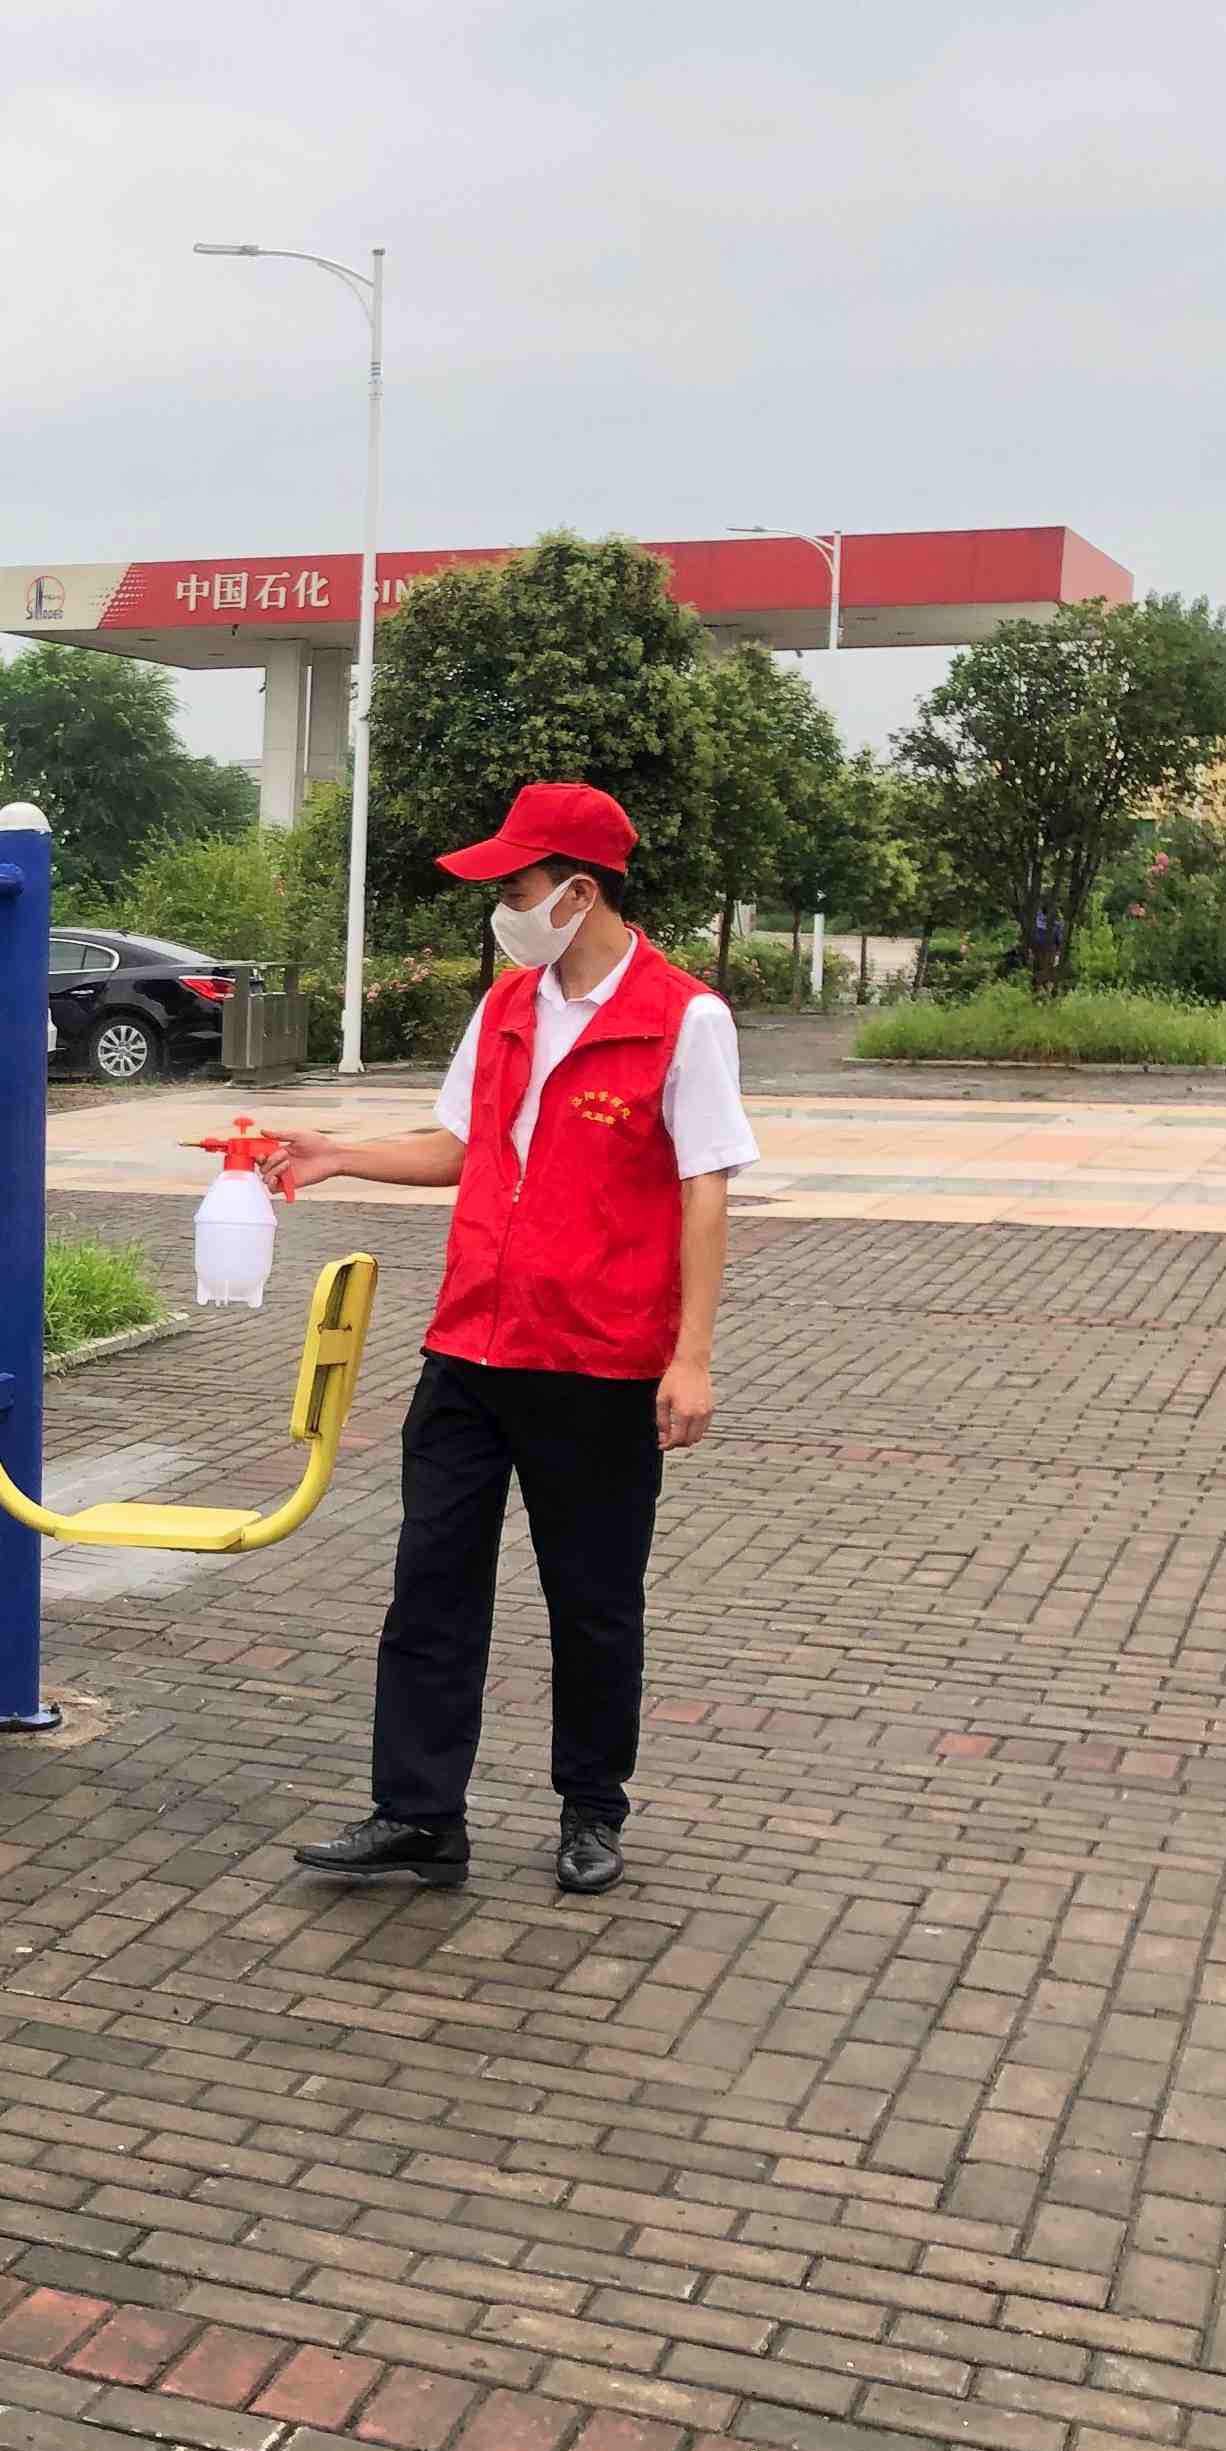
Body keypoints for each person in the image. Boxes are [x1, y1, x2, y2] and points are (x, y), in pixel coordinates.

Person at [269, 782, 755, 1899]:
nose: (503, 908)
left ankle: (592, 1809)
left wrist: (691, 1357)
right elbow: (459, 1147)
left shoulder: (685, 1018)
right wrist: (337, 1153)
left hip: (598, 1362)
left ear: (579, 893)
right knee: (431, 1585)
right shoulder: (504, 1008)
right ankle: (419, 1816)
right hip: (470, 1352)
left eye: (518, 887)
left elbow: (705, 1190)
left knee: (593, 1601)